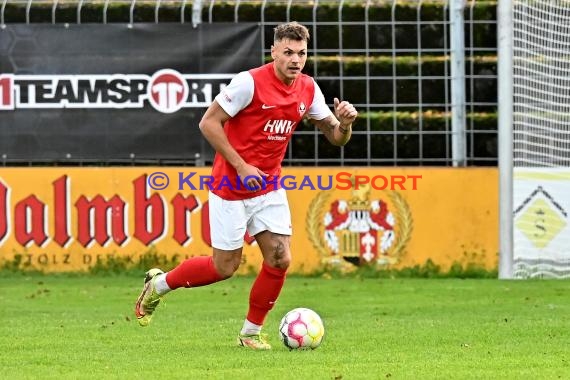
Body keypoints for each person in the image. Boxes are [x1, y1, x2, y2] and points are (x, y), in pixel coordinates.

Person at [135, 21, 357, 350]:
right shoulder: (248, 83)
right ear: (274, 52)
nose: (295, 60)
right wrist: (240, 166)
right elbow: (208, 123)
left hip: (268, 186)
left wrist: (346, 124)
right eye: (288, 53)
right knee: (224, 267)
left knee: (280, 258)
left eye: (301, 54)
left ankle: (250, 333)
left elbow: (335, 137)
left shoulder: (308, 88)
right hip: (231, 185)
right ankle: (160, 285)